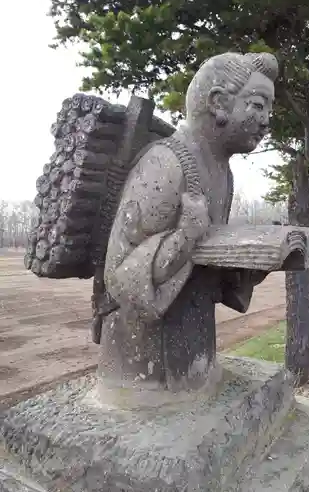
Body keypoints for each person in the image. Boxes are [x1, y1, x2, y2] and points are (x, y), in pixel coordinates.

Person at [98, 51, 278, 397]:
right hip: (144, 372)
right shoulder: (167, 163)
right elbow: (120, 278)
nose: (267, 119)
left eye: (268, 109)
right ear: (219, 103)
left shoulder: (224, 174)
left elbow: (206, 270)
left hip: (195, 355)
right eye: (257, 105)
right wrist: (185, 237)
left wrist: (256, 258)